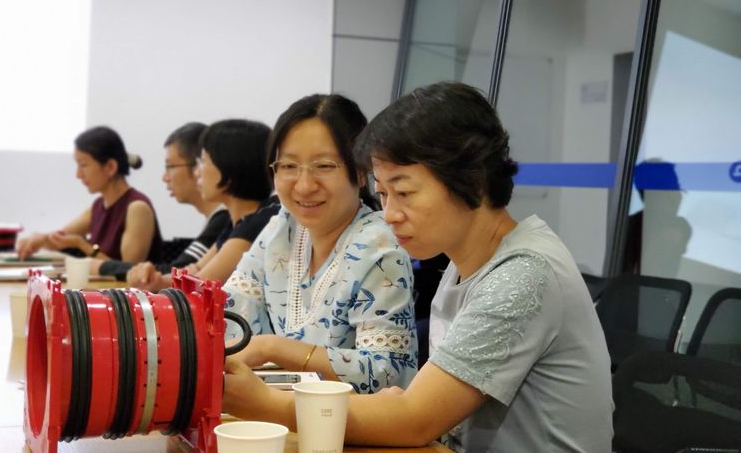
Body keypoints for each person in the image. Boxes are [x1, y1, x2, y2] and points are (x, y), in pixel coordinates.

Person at [222, 82, 613, 452]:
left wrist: (266, 404)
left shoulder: (522, 275)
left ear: (472, 180)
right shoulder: (465, 263)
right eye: (383, 193)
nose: (389, 214)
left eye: (404, 192)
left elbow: (414, 420)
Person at [223, 93, 418, 393]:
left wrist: (272, 348)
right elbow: (229, 318)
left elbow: (385, 373)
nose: (304, 186)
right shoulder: (282, 227)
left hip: (349, 421)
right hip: (273, 412)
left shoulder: (381, 249)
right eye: (289, 166)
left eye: (324, 166)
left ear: (361, 171)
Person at [128, 119, 279, 291]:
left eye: (204, 162)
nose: (197, 172)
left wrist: (160, 282)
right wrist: (158, 281)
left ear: (230, 168)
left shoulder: (257, 224)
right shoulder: (240, 221)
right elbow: (196, 270)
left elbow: (200, 286)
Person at [96, 122, 230, 280]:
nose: (164, 177)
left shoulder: (224, 218)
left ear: (198, 166)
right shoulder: (220, 218)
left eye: (170, 167)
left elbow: (178, 272)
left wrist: (100, 266)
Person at [17, 126, 162, 262]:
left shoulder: (137, 208)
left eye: (84, 165)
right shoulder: (98, 206)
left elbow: (128, 271)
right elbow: (60, 237)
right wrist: (38, 239)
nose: (78, 174)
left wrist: (81, 244)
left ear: (110, 167)